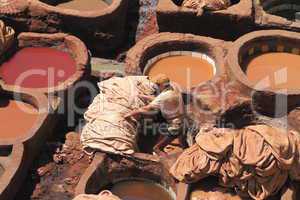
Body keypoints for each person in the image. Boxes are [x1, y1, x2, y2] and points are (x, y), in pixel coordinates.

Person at [125, 74, 186, 155]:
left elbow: (147, 108)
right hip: (183, 121)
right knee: (184, 145)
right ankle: (183, 149)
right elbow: (158, 99)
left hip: (176, 126)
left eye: (157, 85)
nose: (155, 86)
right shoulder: (172, 89)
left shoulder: (164, 96)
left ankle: (167, 164)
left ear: (161, 85)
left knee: (157, 149)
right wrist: (142, 96)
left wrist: (129, 114)